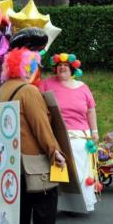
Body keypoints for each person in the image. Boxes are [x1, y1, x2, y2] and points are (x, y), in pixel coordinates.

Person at [0, 47, 65, 224]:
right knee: (46, 197)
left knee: (22, 199)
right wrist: (55, 151)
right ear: (28, 68)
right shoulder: (28, 91)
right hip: (32, 157)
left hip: (10, 158)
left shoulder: (0, 91)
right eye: (36, 67)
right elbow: (40, 125)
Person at [40, 53, 99, 212]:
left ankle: (83, 204)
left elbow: (91, 110)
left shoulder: (83, 87)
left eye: (66, 66)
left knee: (81, 171)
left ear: (72, 69)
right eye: (59, 66)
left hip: (81, 137)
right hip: (58, 135)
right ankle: (63, 205)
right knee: (62, 171)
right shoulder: (47, 84)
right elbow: (38, 106)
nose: (62, 68)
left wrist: (95, 131)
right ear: (55, 69)